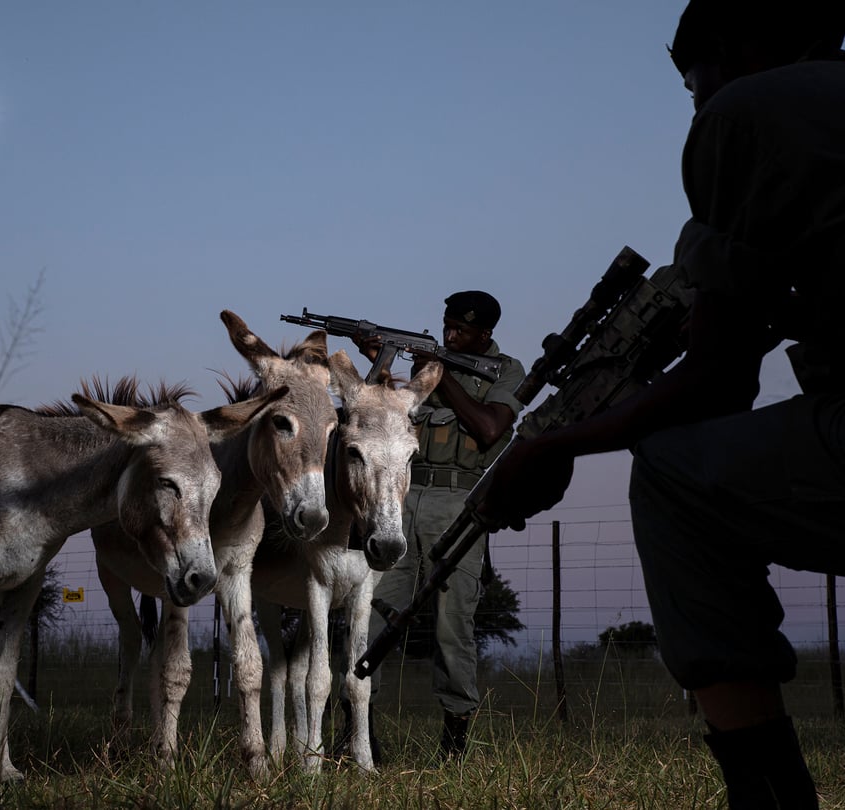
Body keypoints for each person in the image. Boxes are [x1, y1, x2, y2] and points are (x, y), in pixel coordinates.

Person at [480, 3, 845, 806]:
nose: (697, 102)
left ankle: (767, 794)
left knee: (673, 482)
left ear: (726, 50)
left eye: (691, 84)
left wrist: (556, 445)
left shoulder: (744, 112)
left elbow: (719, 379)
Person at [352, 291, 525, 761]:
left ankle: (454, 743)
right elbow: (394, 413)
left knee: (453, 626)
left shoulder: (507, 370)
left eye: (461, 330)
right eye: (447, 326)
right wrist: (380, 363)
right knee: (368, 611)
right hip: (402, 498)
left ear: (485, 333)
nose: (450, 335)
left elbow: (490, 428)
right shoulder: (431, 372)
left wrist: (439, 373)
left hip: (460, 503)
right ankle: (359, 737)